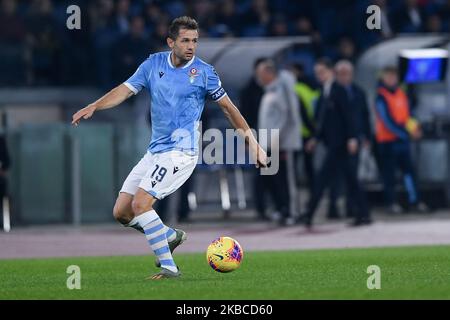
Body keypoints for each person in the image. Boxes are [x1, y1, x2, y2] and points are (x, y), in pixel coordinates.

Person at [72, 16, 268, 280]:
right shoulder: (153, 64)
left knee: (142, 204)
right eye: (185, 40)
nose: (191, 46)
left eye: (195, 41)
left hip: (181, 152)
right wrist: (95, 105)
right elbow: (125, 90)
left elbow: (229, 109)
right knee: (122, 212)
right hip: (155, 151)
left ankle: (169, 267)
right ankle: (168, 235)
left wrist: (252, 143)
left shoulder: (204, 72)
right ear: (171, 42)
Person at [299, 58, 370, 228]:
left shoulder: (339, 90)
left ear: (331, 72)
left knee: (327, 179)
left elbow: (349, 116)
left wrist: (353, 138)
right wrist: (316, 138)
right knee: (347, 180)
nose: (319, 76)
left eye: (322, 72)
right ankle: (363, 214)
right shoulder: (325, 90)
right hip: (334, 144)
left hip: (342, 144)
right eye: (317, 73)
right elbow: (322, 120)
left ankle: (309, 214)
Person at [374, 66, 427, 214]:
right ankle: (392, 203)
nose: (391, 79)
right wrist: (406, 134)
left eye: (394, 76)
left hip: (402, 141)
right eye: (388, 76)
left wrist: (415, 129)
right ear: (383, 78)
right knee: (389, 175)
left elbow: (408, 116)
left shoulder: (401, 94)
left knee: (409, 172)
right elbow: (387, 121)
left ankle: (415, 201)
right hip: (387, 141)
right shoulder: (381, 96)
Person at [256, 58, 302, 226]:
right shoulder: (269, 91)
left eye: (260, 73)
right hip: (271, 145)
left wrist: (277, 138)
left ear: (269, 73)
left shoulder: (281, 90)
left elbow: (287, 116)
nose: (258, 77)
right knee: (276, 180)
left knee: (288, 180)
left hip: (283, 144)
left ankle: (293, 212)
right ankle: (283, 209)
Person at [328, 60, 372, 219]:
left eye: (347, 73)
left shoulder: (358, 92)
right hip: (338, 143)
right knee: (340, 179)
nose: (345, 77)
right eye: (342, 73)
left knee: (353, 178)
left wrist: (365, 136)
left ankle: (357, 212)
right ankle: (347, 211)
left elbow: (364, 116)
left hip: (353, 142)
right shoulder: (333, 91)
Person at [239, 57, 266, 220]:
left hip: (270, 137)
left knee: (270, 174)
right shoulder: (248, 90)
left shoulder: (270, 88)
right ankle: (261, 208)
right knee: (260, 175)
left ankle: (271, 207)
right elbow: (243, 118)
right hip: (256, 137)